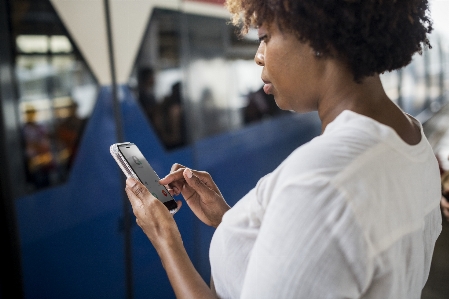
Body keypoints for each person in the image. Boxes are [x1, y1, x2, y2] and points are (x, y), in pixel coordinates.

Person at [124, 0, 442, 298]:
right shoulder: (412, 139)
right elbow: (319, 251)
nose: (258, 55)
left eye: (265, 36)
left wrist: (163, 235)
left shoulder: (319, 182)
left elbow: (323, 212)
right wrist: (230, 222)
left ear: (316, 36)